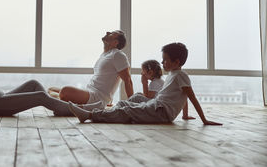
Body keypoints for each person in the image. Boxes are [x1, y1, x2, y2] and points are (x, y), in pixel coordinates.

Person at [68, 42, 222, 126]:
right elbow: (183, 97)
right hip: (156, 105)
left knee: (126, 110)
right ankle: (106, 112)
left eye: (165, 60)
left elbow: (191, 96)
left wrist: (204, 120)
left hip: (161, 113)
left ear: (177, 62)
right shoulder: (173, 74)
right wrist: (185, 114)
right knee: (132, 99)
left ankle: (89, 115)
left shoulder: (181, 75)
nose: (162, 63)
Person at [48, 30, 133, 108]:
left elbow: (128, 80)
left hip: (97, 97)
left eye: (111, 33)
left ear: (115, 42)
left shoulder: (118, 55)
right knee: (51, 89)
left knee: (64, 91)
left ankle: (70, 105)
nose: (107, 32)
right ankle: (73, 105)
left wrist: (132, 105)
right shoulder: (104, 55)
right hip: (89, 92)